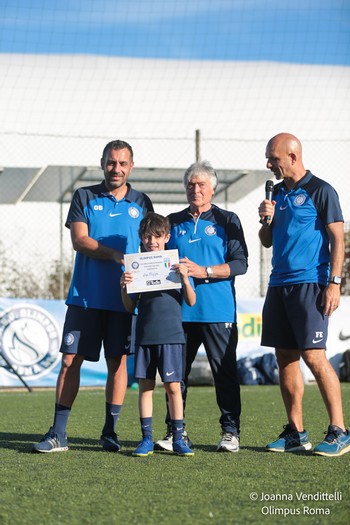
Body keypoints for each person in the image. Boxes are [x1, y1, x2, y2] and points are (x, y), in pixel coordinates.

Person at [32, 139, 153, 453]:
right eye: (111, 162)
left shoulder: (142, 201)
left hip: (124, 300)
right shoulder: (83, 195)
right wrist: (115, 255)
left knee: (118, 364)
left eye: (122, 163)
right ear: (102, 163)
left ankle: (110, 432)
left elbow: (152, 245)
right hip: (85, 297)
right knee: (70, 362)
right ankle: (58, 433)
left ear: (131, 166)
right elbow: (80, 240)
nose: (116, 169)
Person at [258, 132, 350, 457]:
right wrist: (265, 219)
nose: (269, 164)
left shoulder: (321, 190)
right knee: (285, 356)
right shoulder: (277, 193)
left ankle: (339, 430)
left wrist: (335, 283)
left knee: (313, 355)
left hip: (311, 283)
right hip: (278, 284)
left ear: (292, 157)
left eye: (274, 158)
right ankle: (295, 431)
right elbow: (266, 241)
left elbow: (337, 239)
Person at [155, 160, 248, 453]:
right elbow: (157, 258)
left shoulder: (227, 220)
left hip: (218, 310)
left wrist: (203, 272)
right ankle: (175, 432)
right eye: (191, 185)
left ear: (212, 188)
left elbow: (239, 264)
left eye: (201, 185)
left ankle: (230, 432)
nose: (195, 190)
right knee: (175, 375)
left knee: (224, 373)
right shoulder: (172, 220)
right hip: (179, 311)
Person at [121, 212, 196, 457]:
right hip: (145, 335)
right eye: (147, 237)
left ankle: (178, 438)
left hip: (172, 336)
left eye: (157, 236)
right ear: (141, 239)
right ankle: (146, 439)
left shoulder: (176, 266)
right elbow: (129, 307)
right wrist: (124, 287)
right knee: (145, 386)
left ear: (167, 237)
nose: (152, 241)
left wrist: (185, 279)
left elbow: (192, 301)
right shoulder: (136, 267)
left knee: (173, 386)